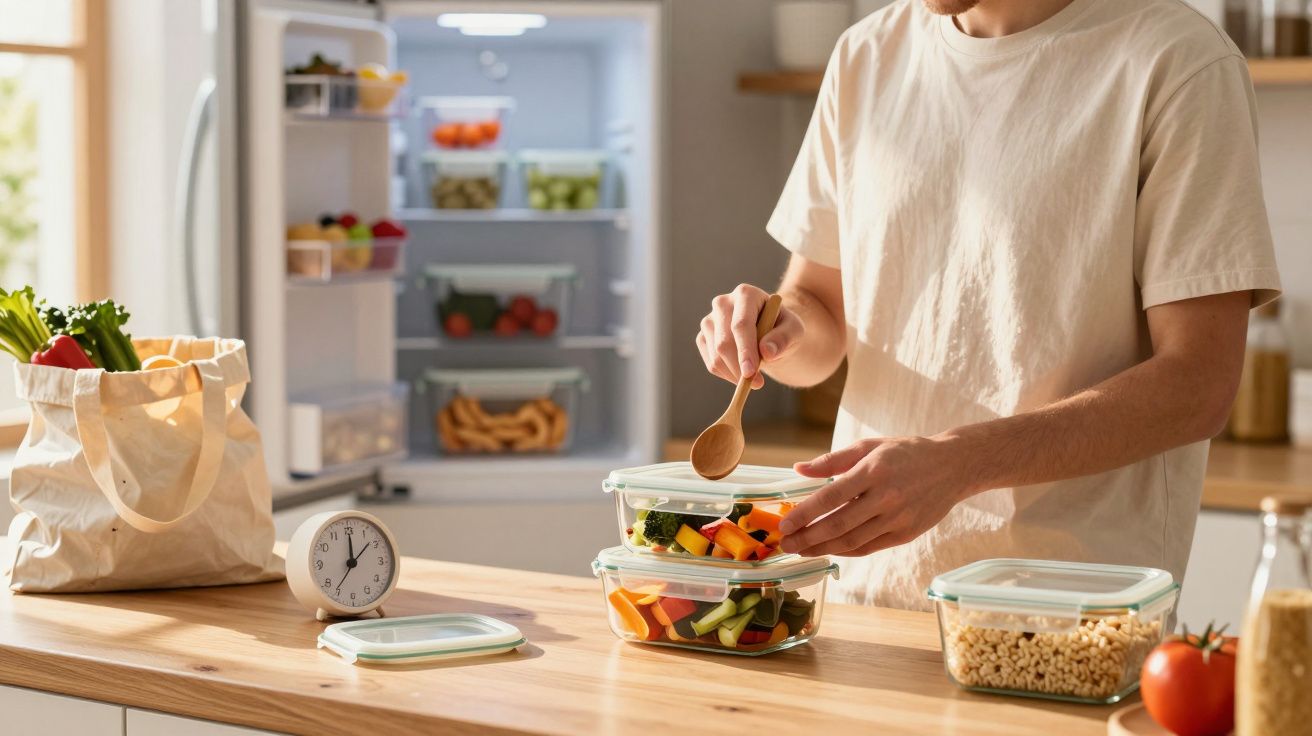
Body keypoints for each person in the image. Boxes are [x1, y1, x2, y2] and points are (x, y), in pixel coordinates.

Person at [694, 0, 1281, 609]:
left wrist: (957, 464)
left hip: (1070, 612)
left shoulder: (1177, 61)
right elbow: (817, 316)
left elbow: (1200, 384)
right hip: (866, 596)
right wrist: (775, 332)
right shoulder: (866, 55)